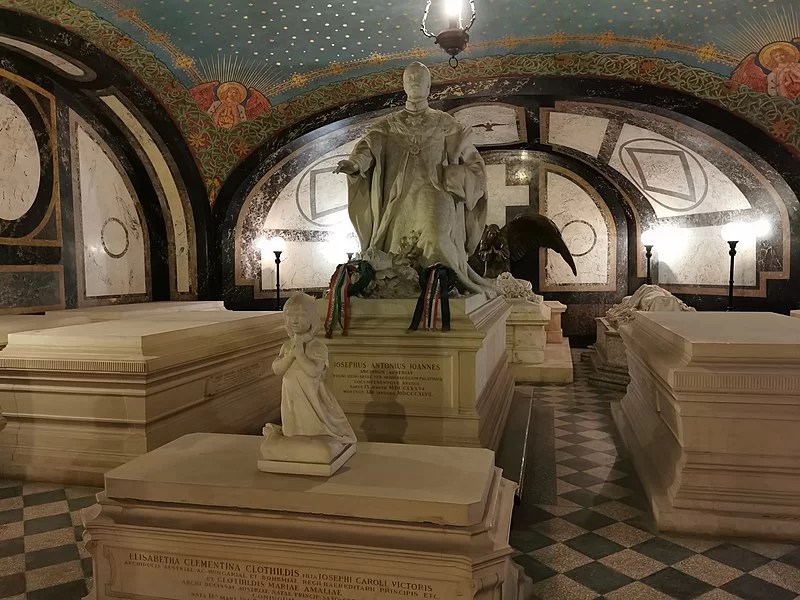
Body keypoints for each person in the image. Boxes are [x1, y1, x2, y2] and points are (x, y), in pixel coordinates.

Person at [335, 62, 495, 297]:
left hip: (435, 190)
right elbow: (369, 147)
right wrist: (356, 164)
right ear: (403, 85)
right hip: (399, 199)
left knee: (436, 235)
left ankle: (444, 285)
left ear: (429, 86)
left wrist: (464, 179)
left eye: (420, 79)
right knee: (396, 250)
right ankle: (405, 285)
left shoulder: (445, 123)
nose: (414, 83)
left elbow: (473, 161)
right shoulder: (388, 125)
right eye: (410, 79)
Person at [271, 293, 356, 443]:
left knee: (310, 426)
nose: (295, 320)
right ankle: (293, 441)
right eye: (290, 315)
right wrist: (290, 356)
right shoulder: (287, 346)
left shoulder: (317, 346)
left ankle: (315, 439)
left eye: (301, 315)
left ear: (312, 318)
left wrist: (301, 356)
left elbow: (314, 371)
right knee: (292, 426)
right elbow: (277, 369)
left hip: (311, 398)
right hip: (291, 398)